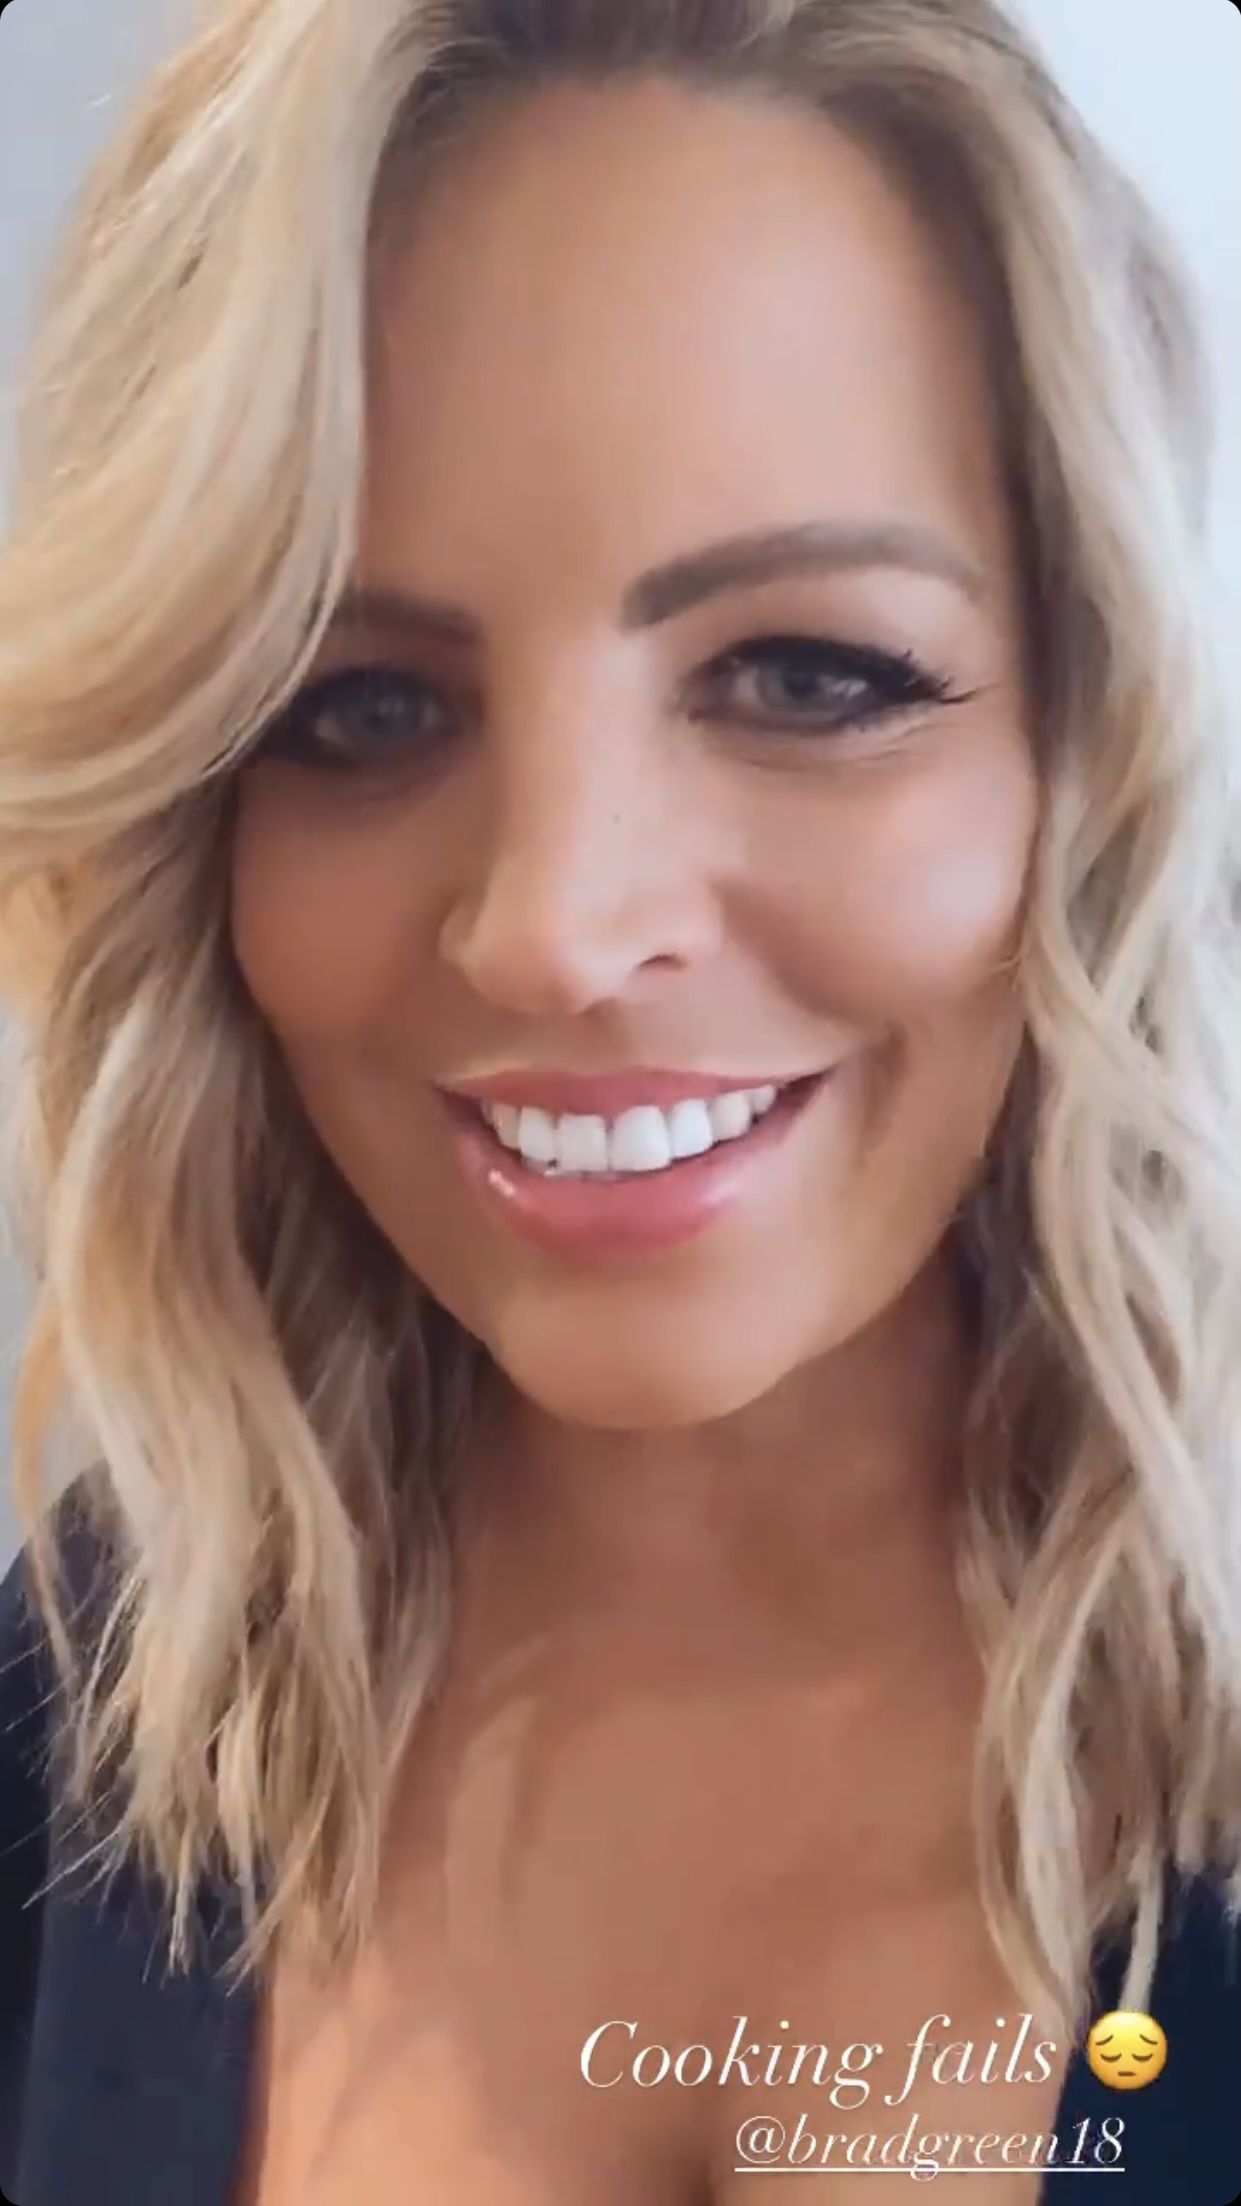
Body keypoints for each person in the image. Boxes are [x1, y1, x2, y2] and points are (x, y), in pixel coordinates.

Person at [1, 0, 1238, 2200]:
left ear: (1092, 748)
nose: (555, 928)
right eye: (355, 706)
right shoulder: (77, 1720)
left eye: (808, 673)